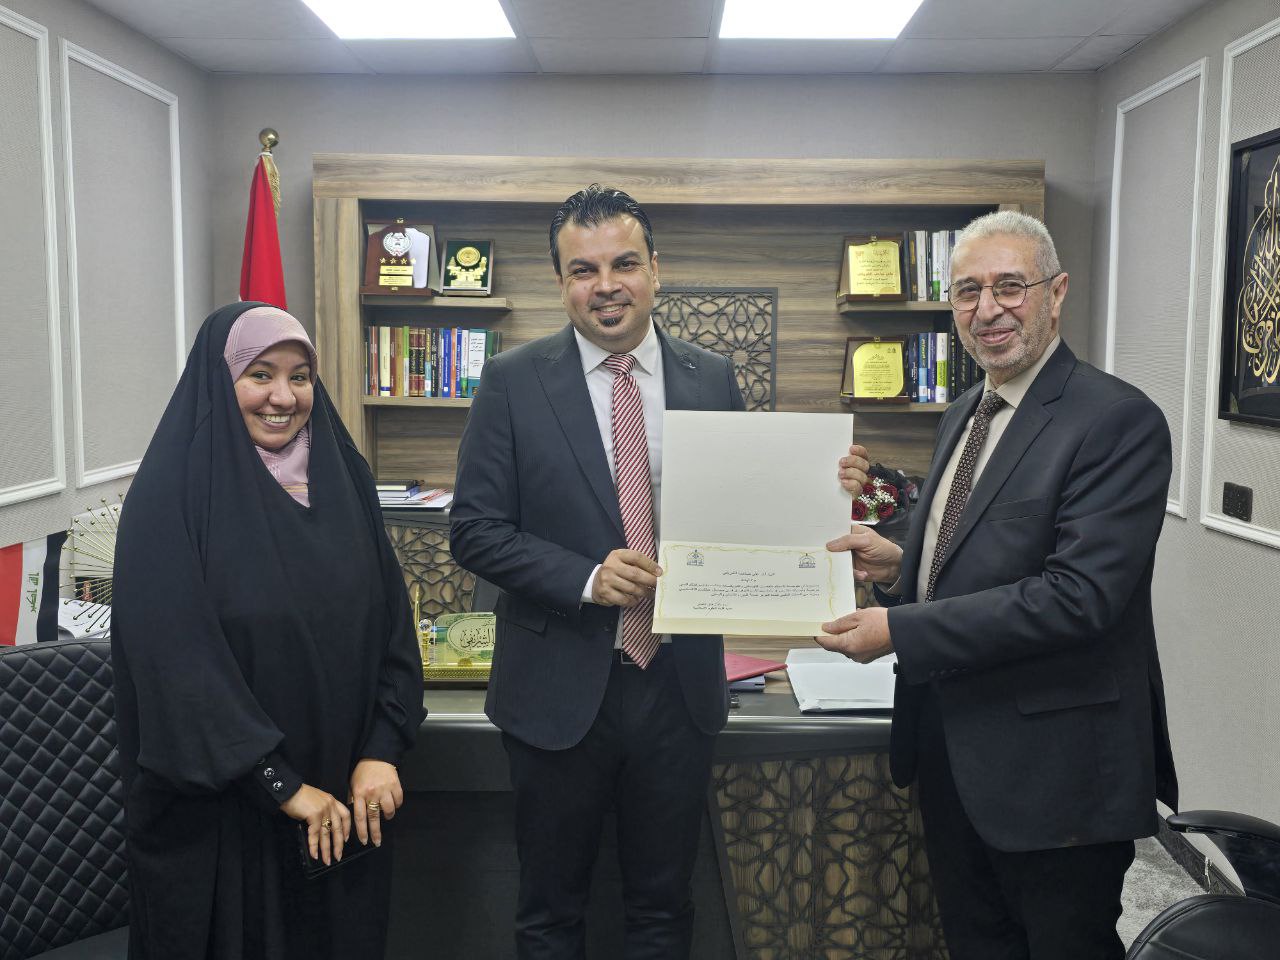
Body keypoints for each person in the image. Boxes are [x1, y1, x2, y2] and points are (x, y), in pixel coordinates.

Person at [450, 184, 867, 958]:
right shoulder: (512, 381)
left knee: (664, 908)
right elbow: (474, 532)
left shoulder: (711, 376)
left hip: (677, 687)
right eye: (583, 270)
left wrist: (824, 486)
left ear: (655, 270)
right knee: (549, 912)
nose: (606, 285)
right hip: (556, 690)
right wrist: (585, 578)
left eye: (624, 264)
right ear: (561, 282)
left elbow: (743, 507)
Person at [819, 211, 1179, 960]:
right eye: (967, 291)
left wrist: (899, 630)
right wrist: (900, 570)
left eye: (1010, 286)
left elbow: (1078, 597)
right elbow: (967, 555)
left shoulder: (1117, 420)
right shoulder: (965, 414)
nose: (987, 310)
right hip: (955, 753)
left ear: (1057, 292)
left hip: (1059, 775)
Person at [111, 303, 425, 960]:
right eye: (260, 374)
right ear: (221, 381)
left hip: (344, 811)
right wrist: (281, 785)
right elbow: (178, 668)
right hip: (225, 824)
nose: (283, 397)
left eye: (300, 376)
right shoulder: (170, 496)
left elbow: (394, 631)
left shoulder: (345, 478)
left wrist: (382, 749)